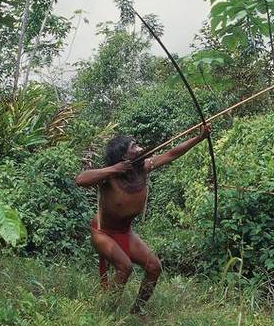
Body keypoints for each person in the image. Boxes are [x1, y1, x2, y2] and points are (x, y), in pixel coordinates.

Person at [74, 125, 211, 314]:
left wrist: (199, 138)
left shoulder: (144, 168)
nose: (139, 148)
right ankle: (106, 313)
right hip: (103, 232)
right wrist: (114, 169)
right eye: (134, 146)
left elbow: (171, 153)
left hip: (125, 232)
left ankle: (136, 312)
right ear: (123, 156)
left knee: (154, 267)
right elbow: (80, 179)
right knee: (125, 267)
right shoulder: (110, 177)